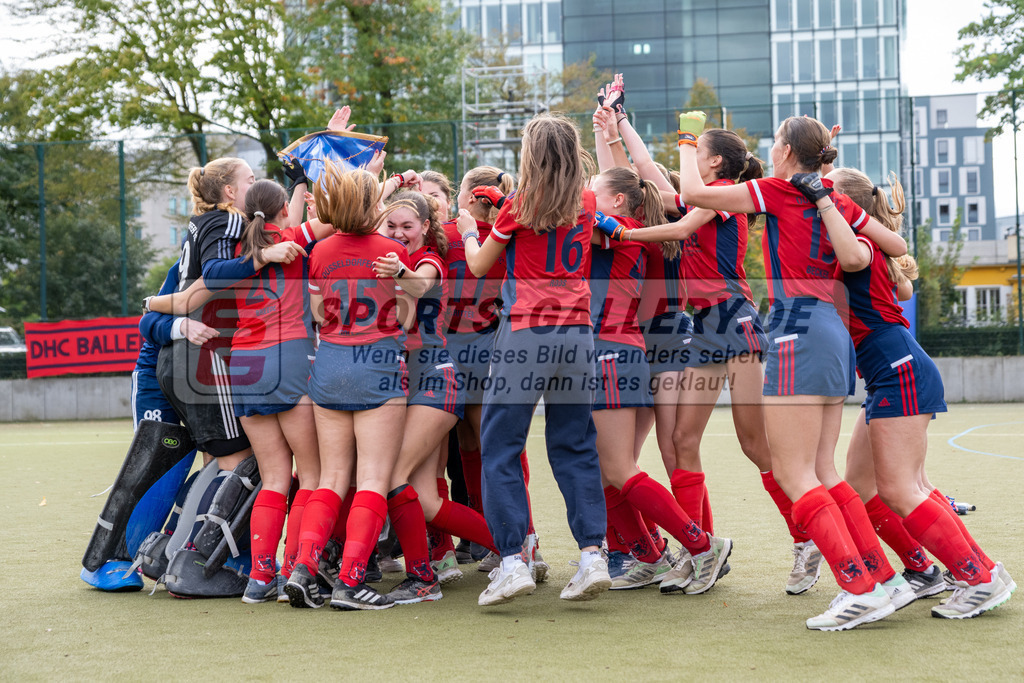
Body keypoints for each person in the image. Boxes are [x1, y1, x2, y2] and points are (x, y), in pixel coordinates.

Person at [676, 112, 907, 630]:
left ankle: (858, 587)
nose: (771, 147)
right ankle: (883, 581)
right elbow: (896, 247)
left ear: (784, 152)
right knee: (823, 471)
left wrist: (688, 135)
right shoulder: (831, 196)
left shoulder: (779, 190)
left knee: (794, 472)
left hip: (794, 328)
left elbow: (693, 190)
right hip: (830, 328)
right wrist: (828, 194)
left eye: (776, 140)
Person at [808, 167, 1015, 619]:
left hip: (898, 368)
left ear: (847, 205)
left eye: (830, 197)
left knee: (902, 489)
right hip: (893, 370)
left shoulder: (858, 246)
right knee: (866, 488)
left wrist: (821, 186)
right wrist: (821, 171)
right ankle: (939, 571)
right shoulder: (868, 243)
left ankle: (978, 577)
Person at [456, 113, 612, 605]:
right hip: (577, 335)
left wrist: (467, 229)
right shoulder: (586, 201)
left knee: (499, 446)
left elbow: (481, 264)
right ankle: (592, 555)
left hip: (526, 333)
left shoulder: (519, 205)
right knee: (576, 445)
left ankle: (510, 561)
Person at [589, 165, 734, 596]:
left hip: (637, 345)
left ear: (618, 200)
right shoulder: (625, 225)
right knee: (613, 468)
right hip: (626, 347)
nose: (586, 193)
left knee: (660, 453)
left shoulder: (623, 228)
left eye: (594, 189)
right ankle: (651, 554)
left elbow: (616, 189)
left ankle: (701, 546)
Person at [282, 165, 411, 611]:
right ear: (372, 205)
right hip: (377, 361)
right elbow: (410, 314)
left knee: (331, 478)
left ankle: (303, 567)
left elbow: (318, 312)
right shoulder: (392, 249)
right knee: (373, 478)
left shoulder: (317, 251)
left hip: (331, 361)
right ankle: (351, 582)